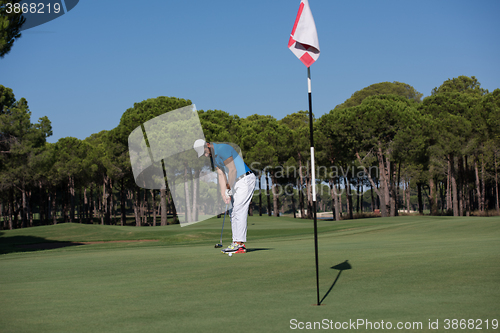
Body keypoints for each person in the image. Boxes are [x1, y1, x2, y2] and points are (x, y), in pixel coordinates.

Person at [193, 139, 256, 254]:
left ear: (207, 145)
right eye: (203, 154)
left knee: (239, 210)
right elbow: (221, 174)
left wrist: (228, 187)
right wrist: (224, 193)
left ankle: (240, 245)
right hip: (236, 182)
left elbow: (232, 170)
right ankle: (235, 242)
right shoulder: (214, 158)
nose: (206, 155)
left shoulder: (222, 149)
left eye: (205, 152)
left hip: (245, 179)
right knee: (233, 212)